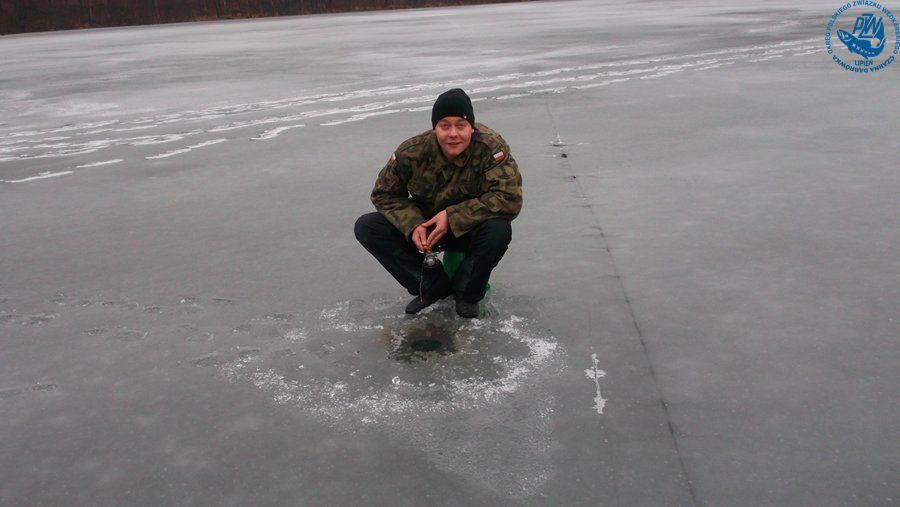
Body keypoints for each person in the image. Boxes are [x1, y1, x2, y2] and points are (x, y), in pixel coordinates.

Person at [354, 88, 523, 318]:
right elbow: (384, 194)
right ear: (435, 128)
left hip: (471, 230)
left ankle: (467, 293)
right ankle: (430, 283)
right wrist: (413, 225)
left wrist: (451, 217)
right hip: (428, 230)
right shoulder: (412, 152)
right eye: (445, 126)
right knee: (368, 226)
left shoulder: (490, 148)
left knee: (498, 230)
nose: (453, 134)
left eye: (461, 125)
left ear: (472, 128)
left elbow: (509, 197)